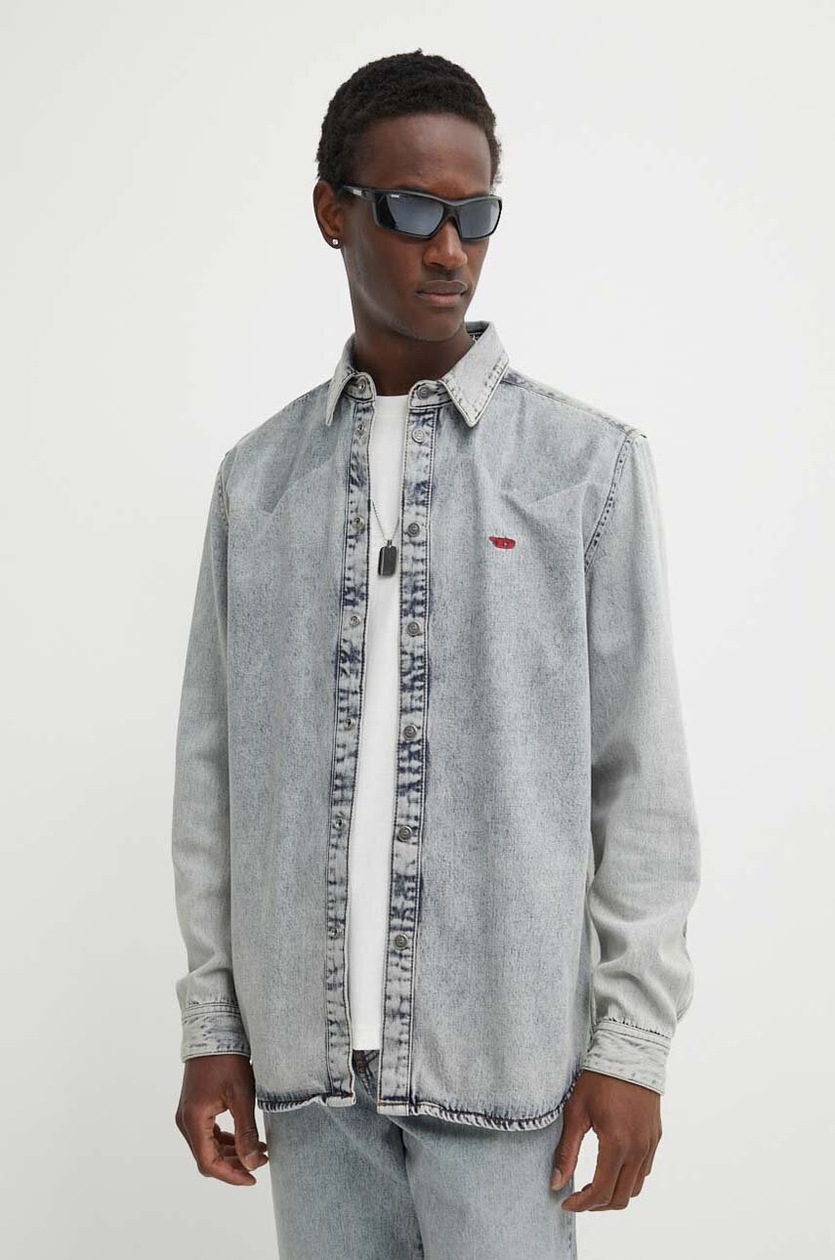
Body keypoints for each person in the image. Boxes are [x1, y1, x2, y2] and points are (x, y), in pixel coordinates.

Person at [171, 48, 701, 1260]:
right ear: (334, 212)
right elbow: (212, 779)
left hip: (504, 1073)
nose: (449, 250)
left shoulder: (584, 469)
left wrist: (631, 1048)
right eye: (412, 212)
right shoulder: (259, 483)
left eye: (475, 216)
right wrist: (214, 1026)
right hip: (309, 1082)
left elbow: (641, 784)